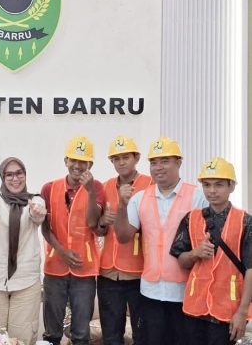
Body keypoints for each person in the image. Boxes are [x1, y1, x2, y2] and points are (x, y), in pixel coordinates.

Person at [114, 136, 208, 345]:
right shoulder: (139, 198)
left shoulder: (197, 196)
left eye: (165, 161)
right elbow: (123, 236)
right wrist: (121, 205)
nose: (158, 167)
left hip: (186, 292)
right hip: (151, 291)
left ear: (179, 163)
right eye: (154, 162)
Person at [170, 157, 252, 345]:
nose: (212, 191)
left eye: (219, 185)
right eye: (207, 185)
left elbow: (251, 269)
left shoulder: (246, 222)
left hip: (227, 310)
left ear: (232, 186)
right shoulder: (191, 218)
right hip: (195, 308)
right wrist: (195, 253)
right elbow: (181, 260)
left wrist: (242, 312)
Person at [41, 136, 105, 345]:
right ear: (66, 161)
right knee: (52, 332)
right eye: (73, 160)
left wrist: (90, 191)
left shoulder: (97, 187)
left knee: (81, 333)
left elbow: (93, 223)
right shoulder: (49, 188)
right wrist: (61, 251)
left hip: (84, 269)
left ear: (90, 165)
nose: (77, 165)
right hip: (55, 267)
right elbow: (45, 227)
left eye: (83, 161)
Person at [0, 157, 46, 345]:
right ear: (2, 177)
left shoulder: (35, 200)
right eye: (9, 175)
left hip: (26, 282)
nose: (15, 178)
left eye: (19, 173)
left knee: (22, 339)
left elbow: (37, 214)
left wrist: (37, 212)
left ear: (25, 175)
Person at [93, 136, 152, 345]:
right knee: (111, 336)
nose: (121, 162)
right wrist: (102, 221)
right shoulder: (105, 186)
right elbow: (98, 230)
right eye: (116, 159)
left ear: (136, 158)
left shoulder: (150, 185)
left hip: (139, 272)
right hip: (109, 273)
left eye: (126, 157)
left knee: (142, 335)